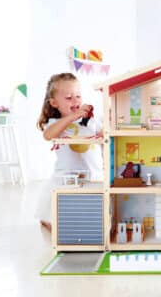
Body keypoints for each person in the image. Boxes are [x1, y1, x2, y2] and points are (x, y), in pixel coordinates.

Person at [36, 73, 103, 231]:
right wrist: (72, 117)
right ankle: (49, 221)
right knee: (61, 216)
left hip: (92, 174)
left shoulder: (90, 121)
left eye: (78, 96)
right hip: (67, 176)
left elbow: (103, 133)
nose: (75, 101)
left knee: (92, 210)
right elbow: (48, 135)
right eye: (68, 97)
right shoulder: (55, 123)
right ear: (54, 103)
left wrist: (102, 133)